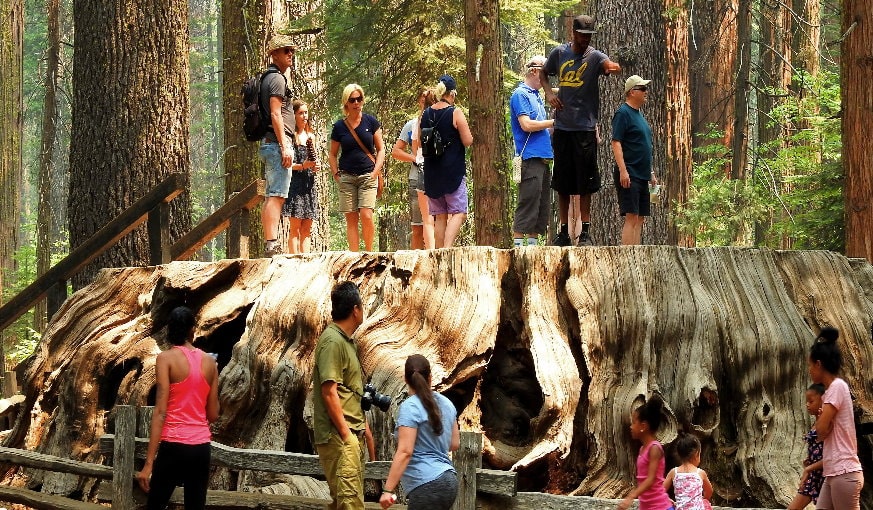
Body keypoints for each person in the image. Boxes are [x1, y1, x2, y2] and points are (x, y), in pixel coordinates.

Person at [539, 14, 621, 247]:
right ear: (573, 33)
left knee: (585, 183)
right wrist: (549, 93)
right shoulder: (559, 53)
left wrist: (613, 67)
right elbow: (544, 73)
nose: (585, 39)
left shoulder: (594, 57)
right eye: (582, 35)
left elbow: (608, 65)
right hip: (563, 126)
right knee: (563, 183)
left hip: (585, 128)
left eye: (589, 36)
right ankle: (564, 232)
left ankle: (585, 232)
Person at [136, 306, 220, 510]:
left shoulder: (165, 359)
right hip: (200, 448)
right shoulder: (210, 363)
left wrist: (148, 465)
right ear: (193, 330)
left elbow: (160, 412)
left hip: (173, 446)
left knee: (155, 505)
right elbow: (213, 414)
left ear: (169, 330)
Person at [312, 281, 374, 510]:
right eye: (362, 305)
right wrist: (347, 434)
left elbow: (347, 390)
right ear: (355, 310)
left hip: (350, 435)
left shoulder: (346, 341)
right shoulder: (332, 341)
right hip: (339, 436)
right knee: (350, 504)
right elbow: (329, 392)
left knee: (348, 502)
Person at [379, 355, 460, 510]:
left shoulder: (410, 407)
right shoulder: (447, 404)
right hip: (449, 481)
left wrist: (388, 490)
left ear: (405, 379)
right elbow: (454, 444)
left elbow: (405, 451)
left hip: (427, 484)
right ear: (430, 377)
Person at [807, 327, 864, 509]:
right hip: (833, 473)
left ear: (818, 364)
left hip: (844, 471)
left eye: (809, 366)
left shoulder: (837, 387)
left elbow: (821, 431)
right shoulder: (830, 392)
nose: (809, 371)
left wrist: (823, 424)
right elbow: (821, 430)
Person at [329, 84, 386, 252]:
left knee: (367, 215)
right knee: (351, 219)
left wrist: (375, 172)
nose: (356, 103)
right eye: (352, 100)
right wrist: (336, 174)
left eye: (359, 99)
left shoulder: (371, 122)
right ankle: (354, 256)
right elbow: (332, 154)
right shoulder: (339, 127)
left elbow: (381, 149)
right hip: (347, 177)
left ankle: (369, 253)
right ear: (346, 103)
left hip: (368, 175)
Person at [419, 75, 473, 248]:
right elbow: (468, 140)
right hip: (452, 172)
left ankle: (438, 254)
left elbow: (422, 141)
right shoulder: (455, 112)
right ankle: (447, 249)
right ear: (452, 93)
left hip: (432, 173)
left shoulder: (426, 114)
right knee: (459, 213)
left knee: (440, 216)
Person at [510, 56, 555, 247]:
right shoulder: (521, 94)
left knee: (541, 205)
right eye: (545, 75)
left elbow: (543, 128)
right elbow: (526, 124)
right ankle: (519, 247)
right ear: (535, 71)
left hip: (543, 159)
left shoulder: (536, 96)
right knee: (528, 202)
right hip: (530, 157)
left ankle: (533, 245)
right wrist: (554, 122)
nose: (547, 81)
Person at [258, 34, 297, 256]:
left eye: (291, 50)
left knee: (274, 194)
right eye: (285, 51)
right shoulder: (277, 80)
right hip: (276, 144)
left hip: (271, 143)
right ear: (274, 54)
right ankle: (272, 245)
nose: (290, 54)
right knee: (276, 195)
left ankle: (271, 242)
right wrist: (285, 145)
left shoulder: (273, 77)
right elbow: (275, 113)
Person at [611, 75, 658, 245]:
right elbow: (616, 142)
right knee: (631, 216)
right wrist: (623, 170)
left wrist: (650, 172)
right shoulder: (623, 113)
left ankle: (636, 255)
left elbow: (643, 146)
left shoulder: (639, 116)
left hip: (642, 174)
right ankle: (627, 257)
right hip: (629, 172)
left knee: (640, 218)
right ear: (632, 92)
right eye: (643, 89)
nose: (646, 92)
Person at [392, 88, 436, 249]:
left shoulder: (441, 120)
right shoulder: (411, 124)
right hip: (416, 176)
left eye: (428, 97)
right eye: (422, 97)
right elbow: (396, 151)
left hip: (434, 173)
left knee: (437, 221)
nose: (424, 99)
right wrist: (415, 159)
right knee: (418, 226)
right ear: (418, 100)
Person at [618, 394, 673, 510]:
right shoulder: (643, 449)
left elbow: (651, 479)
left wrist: (631, 496)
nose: (631, 427)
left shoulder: (654, 448)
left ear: (643, 426)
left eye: (633, 422)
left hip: (660, 507)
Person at [282, 100, 319, 254]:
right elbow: (287, 164)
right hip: (295, 185)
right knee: (295, 228)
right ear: (294, 115)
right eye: (301, 113)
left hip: (309, 185)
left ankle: (306, 261)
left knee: (307, 228)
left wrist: (315, 166)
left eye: (306, 112)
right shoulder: (290, 137)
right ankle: (294, 261)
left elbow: (314, 161)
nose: (304, 116)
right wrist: (303, 165)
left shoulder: (311, 136)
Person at [788, 383, 825, 509]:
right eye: (806, 401)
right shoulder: (816, 422)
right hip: (813, 475)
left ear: (823, 400)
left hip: (826, 475)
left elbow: (831, 454)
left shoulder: (827, 422)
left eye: (811, 401)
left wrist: (809, 468)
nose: (807, 404)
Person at [663, 433, 713, 510]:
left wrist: (668, 500)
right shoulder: (700, 473)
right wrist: (701, 500)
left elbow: (661, 492)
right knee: (706, 503)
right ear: (696, 454)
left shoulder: (673, 472)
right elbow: (709, 491)